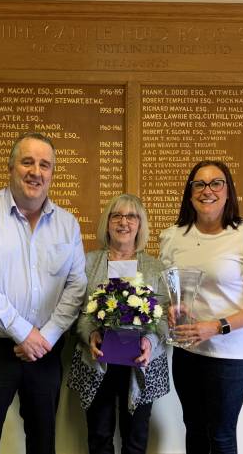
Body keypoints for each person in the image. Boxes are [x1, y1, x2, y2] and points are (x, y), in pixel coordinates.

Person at [0, 131, 87, 454]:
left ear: (52, 173)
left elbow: (76, 285)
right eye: (27, 162)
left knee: (43, 440)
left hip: (45, 347)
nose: (36, 172)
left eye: (45, 165)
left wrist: (46, 336)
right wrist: (23, 333)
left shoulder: (67, 224)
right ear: (11, 167)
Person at [159, 160, 243, 454]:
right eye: (199, 184)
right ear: (190, 193)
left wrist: (215, 326)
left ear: (228, 192)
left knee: (221, 435)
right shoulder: (174, 236)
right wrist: (170, 310)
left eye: (216, 183)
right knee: (195, 430)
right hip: (187, 352)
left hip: (229, 356)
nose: (207, 190)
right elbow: (169, 294)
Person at [67, 194, 170, 454]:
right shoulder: (88, 263)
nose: (124, 222)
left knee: (135, 440)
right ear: (108, 223)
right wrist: (90, 334)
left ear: (140, 224)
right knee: (99, 438)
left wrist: (151, 341)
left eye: (131, 216)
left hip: (141, 365)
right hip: (98, 361)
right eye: (117, 216)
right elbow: (78, 311)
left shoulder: (156, 267)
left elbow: (165, 317)